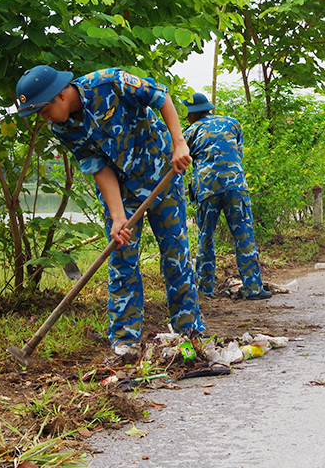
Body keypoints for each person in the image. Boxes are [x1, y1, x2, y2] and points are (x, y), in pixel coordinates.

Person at [15, 65, 204, 366]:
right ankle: (125, 342)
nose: (43, 119)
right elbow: (99, 167)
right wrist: (118, 217)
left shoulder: (111, 83)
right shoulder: (62, 128)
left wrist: (179, 142)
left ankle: (189, 333)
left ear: (61, 95)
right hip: (123, 189)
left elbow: (161, 96)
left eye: (43, 110)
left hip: (162, 176)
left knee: (175, 255)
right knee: (121, 260)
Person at [183, 93, 271, 300]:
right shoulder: (232, 123)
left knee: (205, 238)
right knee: (244, 236)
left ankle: (204, 290)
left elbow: (180, 160)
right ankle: (254, 289)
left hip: (207, 190)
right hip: (236, 187)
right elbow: (237, 153)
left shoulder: (189, 132)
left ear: (191, 114)